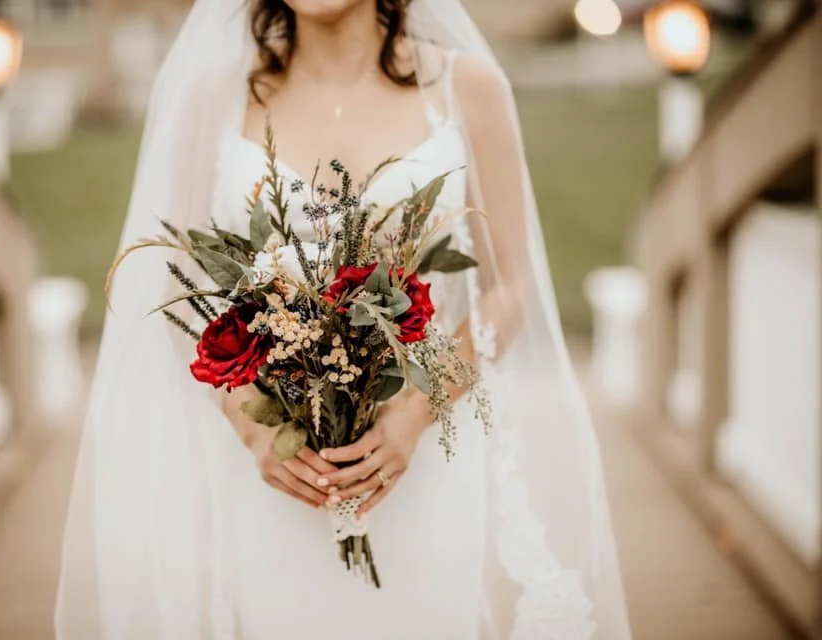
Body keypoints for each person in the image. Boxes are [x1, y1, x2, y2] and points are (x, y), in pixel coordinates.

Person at [55, 1, 632, 638]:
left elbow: (510, 289)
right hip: (271, 474)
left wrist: (415, 409)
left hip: (422, 461)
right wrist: (253, 428)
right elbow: (180, 284)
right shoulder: (209, 98)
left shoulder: (466, 88)